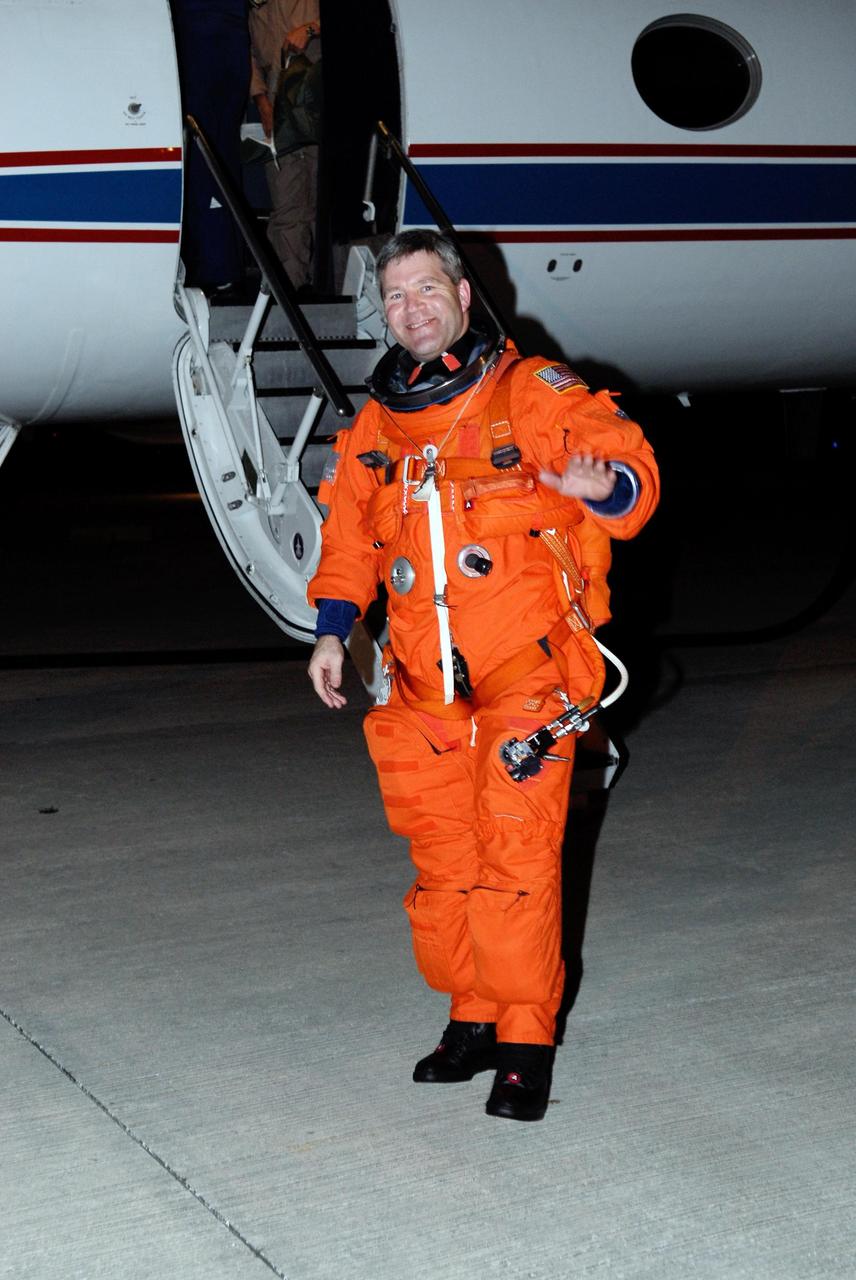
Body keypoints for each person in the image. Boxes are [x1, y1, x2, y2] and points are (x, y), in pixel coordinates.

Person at [307, 229, 659, 1122]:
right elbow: (349, 539)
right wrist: (330, 629)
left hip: (524, 678)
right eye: (395, 297)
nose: (412, 308)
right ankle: (471, 1016)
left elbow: (629, 473)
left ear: (464, 298)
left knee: (518, 864)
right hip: (426, 691)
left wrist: (602, 487)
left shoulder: (528, 395)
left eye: (427, 289)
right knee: (446, 864)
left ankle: (526, 1040)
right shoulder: (378, 427)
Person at [171, 0, 250, 292]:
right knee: (220, 155)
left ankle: (212, 264)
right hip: (229, 40)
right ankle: (224, 262)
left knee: (202, 160)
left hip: (202, 36)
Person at [248, 0, 321, 289]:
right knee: (286, 200)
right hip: (278, 98)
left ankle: (329, 287)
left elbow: (356, 19)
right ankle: (289, 288)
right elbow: (247, 51)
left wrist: (311, 28)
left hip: (317, 91)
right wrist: (261, 101)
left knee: (322, 198)